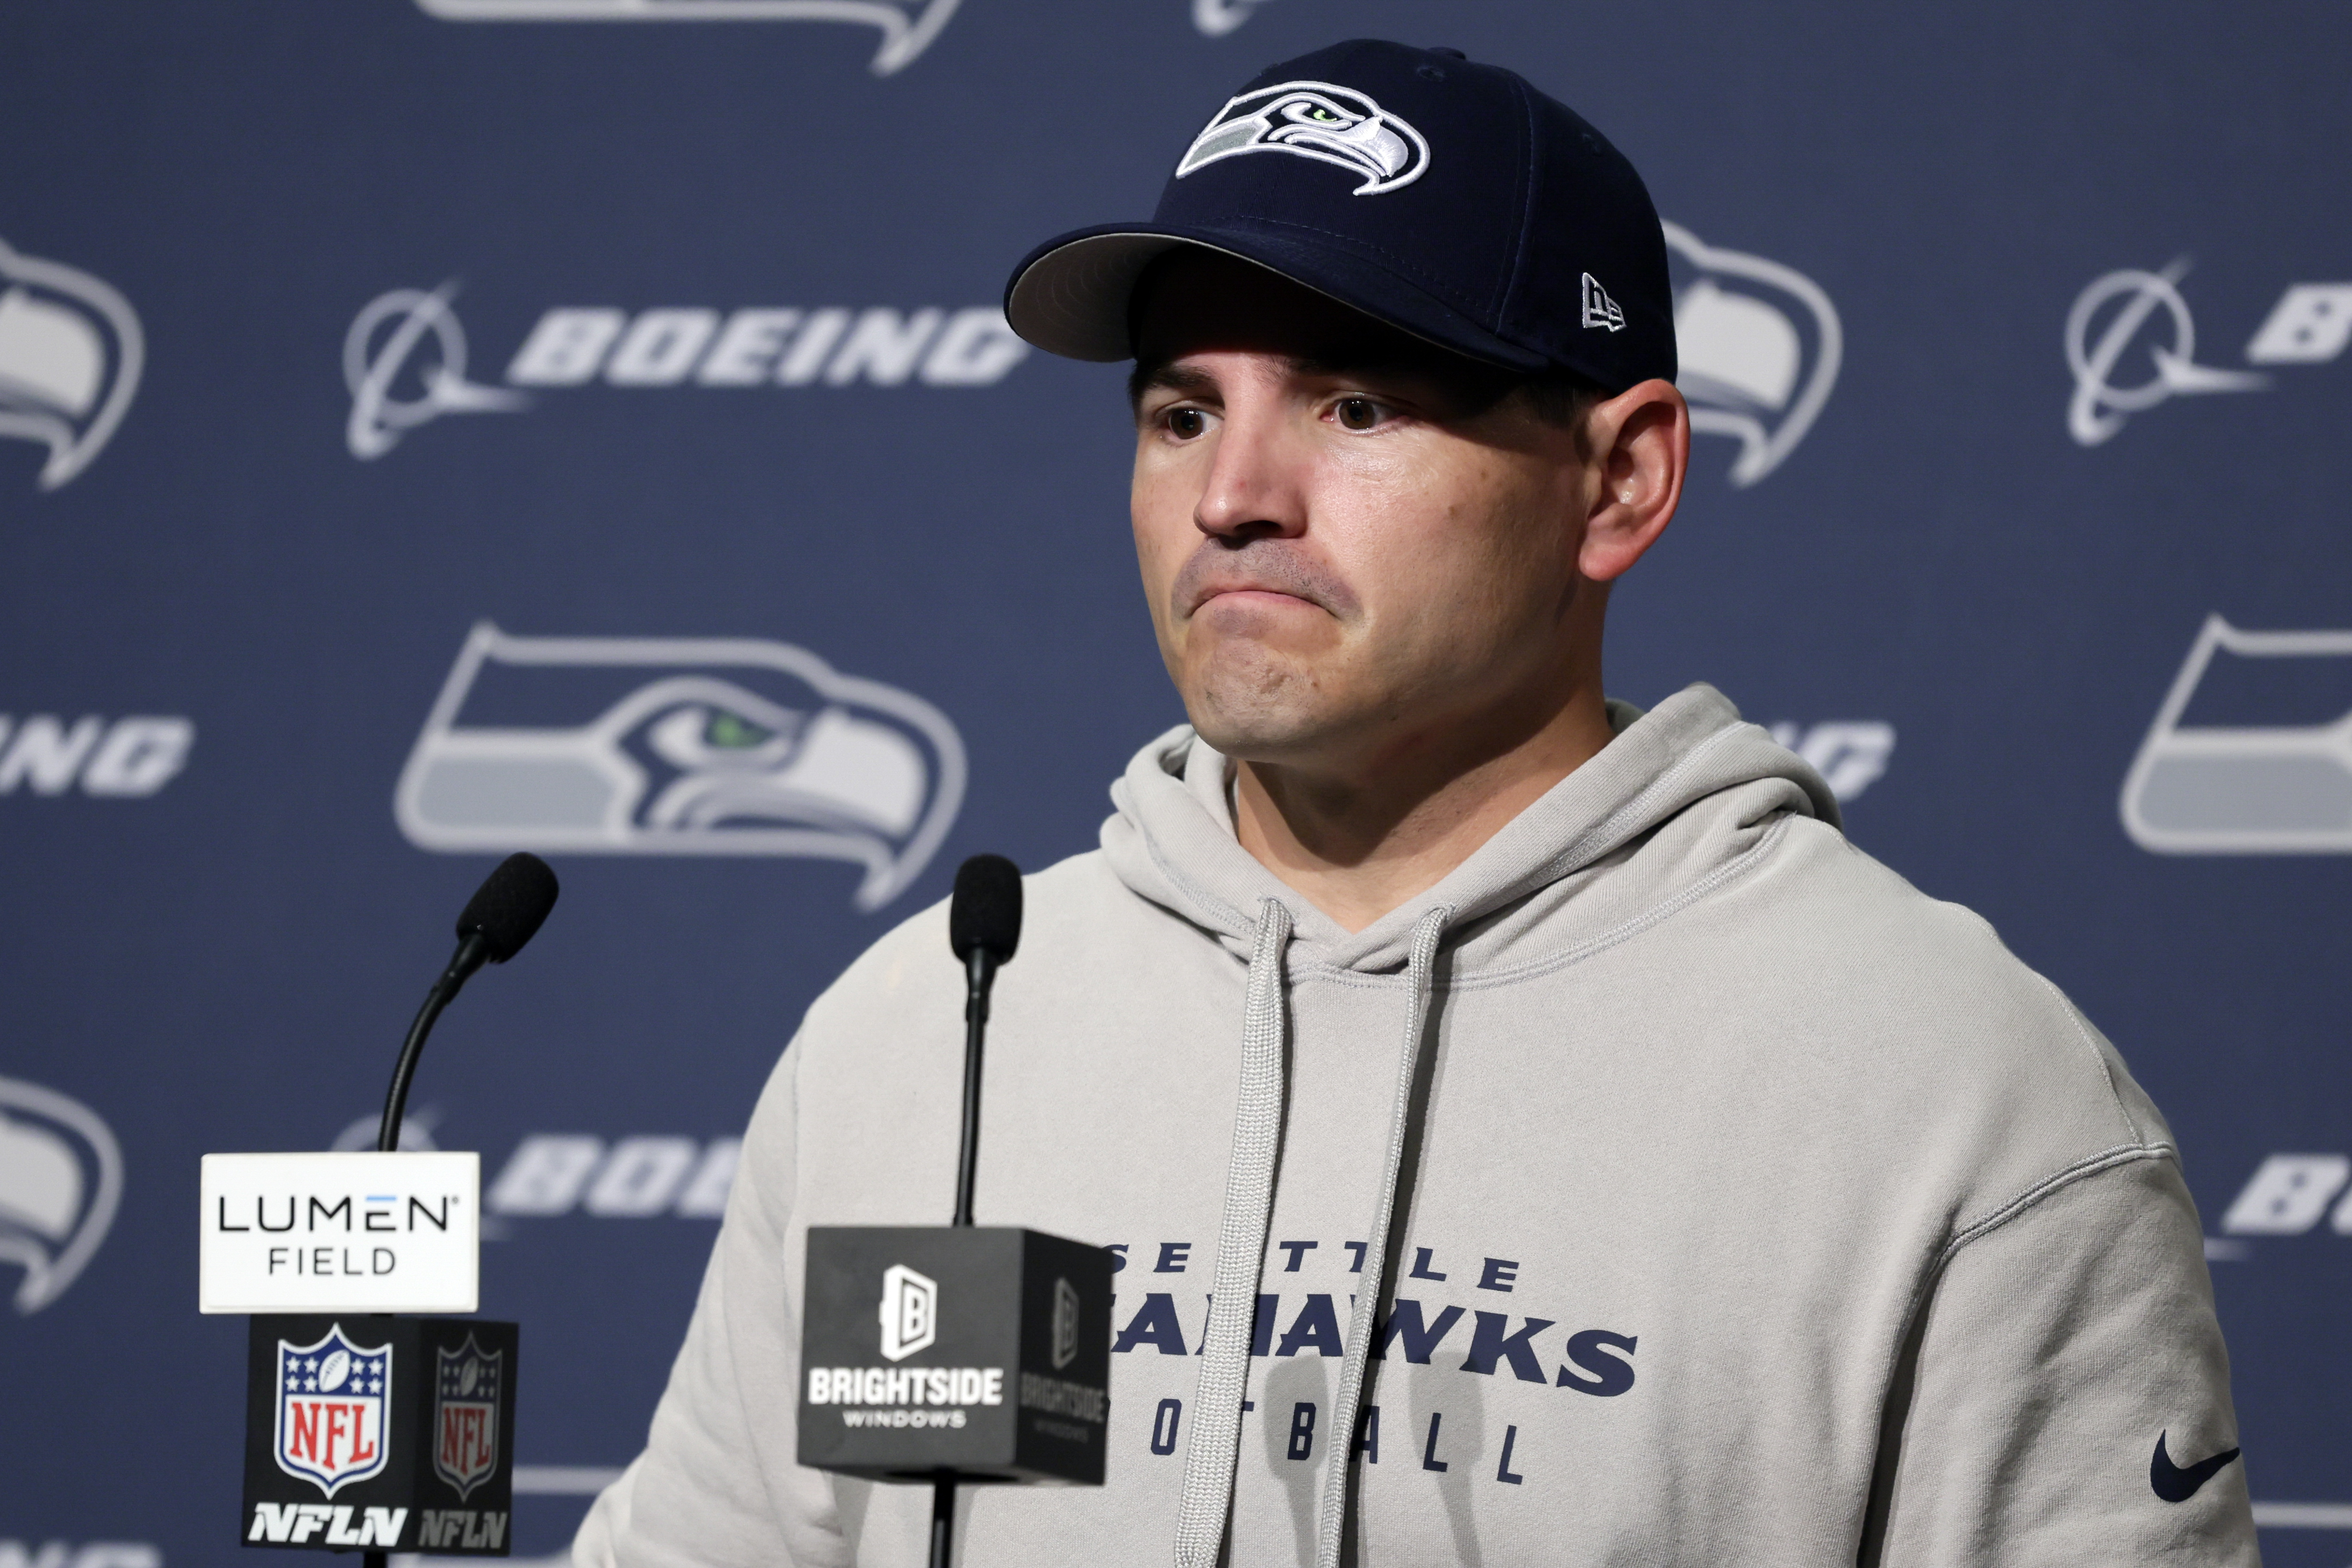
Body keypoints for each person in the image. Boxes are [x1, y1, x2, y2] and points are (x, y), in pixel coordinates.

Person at [577, 39, 2257, 1568]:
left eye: (1355, 404)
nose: (1231, 498)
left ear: (1623, 479)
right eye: (1180, 413)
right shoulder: (940, 1028)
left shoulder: (1959, 1099)